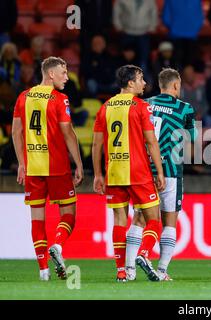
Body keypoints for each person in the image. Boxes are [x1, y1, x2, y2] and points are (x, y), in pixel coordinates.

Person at [11, 57, 84, 281]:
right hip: (57, 167)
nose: (66, 77)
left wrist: (22, 163)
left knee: (37, 220)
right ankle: (58, 245)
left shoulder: (23, 97)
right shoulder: (59, 99)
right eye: (63, 72)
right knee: (69, 214)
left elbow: (16, 132)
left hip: (33, 167)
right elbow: (68, 132)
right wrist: (79, 163)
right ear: (50, 74)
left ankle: (43, 270)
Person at [92, 65, 166, 282]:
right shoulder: (141, 106)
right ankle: (143, 254)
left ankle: (121, 271)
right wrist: (159, 171)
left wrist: (98, 174)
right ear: (131, 83)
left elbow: (96, 145)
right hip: (139, 171)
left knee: (119, 221)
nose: (144, 83)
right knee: (154, 219)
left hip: (114, 171)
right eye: (141, 79)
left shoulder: (105, 107)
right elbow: (151, 141)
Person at [125, 68, 196, 281]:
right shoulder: (185, 108)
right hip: (171, 170)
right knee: (169, 221)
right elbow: (190, 138)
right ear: (175, 85)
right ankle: (162, 270)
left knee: (139, 218)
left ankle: (128, 270)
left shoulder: (143, 104)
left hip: (144, 170)